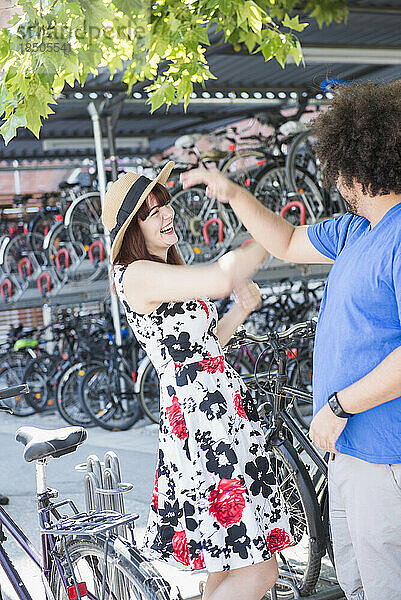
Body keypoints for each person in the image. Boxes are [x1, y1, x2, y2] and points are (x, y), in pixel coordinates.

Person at [181, 80, 401, 600]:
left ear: (351, 165)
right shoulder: (355, 231)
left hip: (384, 456)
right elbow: (282, 239)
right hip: (349, 452)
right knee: (358, 583)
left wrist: (340, 405)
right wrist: (234, 193)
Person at [101, 162, 295, 600]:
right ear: (133, 229)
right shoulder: (135, 273)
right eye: (152, 212)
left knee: (226, 566)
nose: (167, 214)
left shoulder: (159, 271)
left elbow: (203, 352)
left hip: (222, 417)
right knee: (261, 571)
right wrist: (273, 234)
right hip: (206, 429)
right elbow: (224, 274)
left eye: (165, 204)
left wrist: (239, 312)